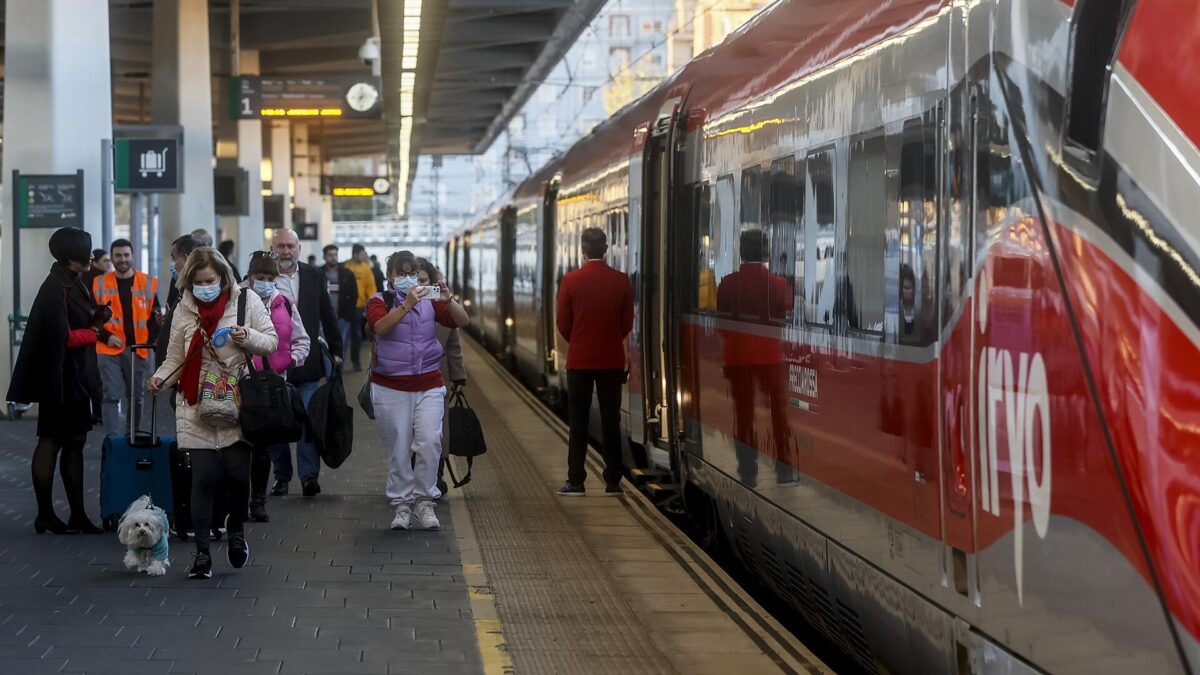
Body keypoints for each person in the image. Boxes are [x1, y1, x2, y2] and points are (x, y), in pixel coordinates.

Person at [149, 247, 277, 579]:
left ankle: (236, 531)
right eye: (198, 282)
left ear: (223, 276)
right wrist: (161, 378)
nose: (206, 286)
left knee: (237, 477)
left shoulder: (246, 301)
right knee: (202, 479)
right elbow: (176, 356)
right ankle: (202, 554)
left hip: (237, 401)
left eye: (211, 280)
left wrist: (245, 335)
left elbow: (272, 341)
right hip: (196, 404)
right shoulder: (184, 310)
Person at [8, 227, 106, 534]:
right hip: (60, 380)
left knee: (75, 442)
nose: (92, 256)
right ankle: (46, 514)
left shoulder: (72, 282)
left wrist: (96, 318)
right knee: (51, 441)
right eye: (86, 252)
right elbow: (60, 336)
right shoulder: (55, 288)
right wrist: (95, 332)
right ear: (71, 257)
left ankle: (77, 514)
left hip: (73, 378)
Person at [367, 250, 468, 530]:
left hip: (428, 384)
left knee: (429, 441)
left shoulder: (430, 303)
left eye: (412, 273)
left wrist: (450, 300)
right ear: (390, 277)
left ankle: (424, 501)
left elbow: (462, 321)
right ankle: (401, 505)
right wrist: (405, 305)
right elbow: (380, 327)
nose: (408, 279)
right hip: (389, 387)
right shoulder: (378, 301)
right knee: (399, 446)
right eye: (401, 273)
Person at [554, 227, 633, 497]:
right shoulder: (621, 281)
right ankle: (613, 481)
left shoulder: (571, 280)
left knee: (579, 421)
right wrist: (609, 340)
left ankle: (576, 480)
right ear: (607, 249)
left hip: (580, 360)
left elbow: (562, 323)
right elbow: (627, 324)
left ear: (582, 250)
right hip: (611, 360)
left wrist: (578, 340)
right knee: (611, 420)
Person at [266, 229, 343, 498]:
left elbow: (327, 313)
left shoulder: (313, 275)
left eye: (290, 246)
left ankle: (309, 477)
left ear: (299, 248)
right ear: (272, 248)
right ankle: (282, 477)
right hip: (271, 365)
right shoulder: (260, 276)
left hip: (308, 363)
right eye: (280, 246)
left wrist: (336, 350)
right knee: (275, 422)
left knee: (309, 421)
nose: (285, 251)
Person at [716, 229, 793, 486]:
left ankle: (748, 471)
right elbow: (784, 318)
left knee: (744, 414)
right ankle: (784, 469)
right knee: (779, 414)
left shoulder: (727, 283)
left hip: (738, 358)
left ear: (741, 252)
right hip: (770, 357)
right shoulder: (779, 284)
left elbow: (721, 326)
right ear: (765, 252)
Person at [243, 252, 310, 523]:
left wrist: (289, 360)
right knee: (237, 446)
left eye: (271, 278)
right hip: (240, 383)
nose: (266, 283)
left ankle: (257, 501)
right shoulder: (235, 301)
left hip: (271, 387)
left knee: (262, 445)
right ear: (249, 278)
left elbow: (302, 340)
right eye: (260, 278)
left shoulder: (285, 304)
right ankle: (236, 500)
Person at [93, 239, 161, 438]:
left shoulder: (147, 283)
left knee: (136, 396)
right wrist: (107, 337)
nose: (122, 259)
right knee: (111, 395)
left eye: (126, 255)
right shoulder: (100, 284)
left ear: (133, 256)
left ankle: (133, 435)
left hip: (138, 349)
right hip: (108, 349)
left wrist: (152, 342)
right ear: (112, 258)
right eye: (118, 255)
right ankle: (113, 441)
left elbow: (153, 318)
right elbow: (92, 317)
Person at [416, 258, 466, 496]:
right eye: (415, 281)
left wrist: (459, 377)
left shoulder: (443, 309)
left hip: (439, 377)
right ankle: (414, 474)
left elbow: (454, 344)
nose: (419, 286)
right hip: (408, 378)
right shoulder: (399, 306)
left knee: (437, 430)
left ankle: (436, 474)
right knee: (412, 431)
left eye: (424, 281)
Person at [157, 235, 203, 369]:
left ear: (187, 258)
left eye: (174, 257)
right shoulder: (180, 287)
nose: (171, 263)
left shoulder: (198, 293)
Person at [322, 245, 359, 362]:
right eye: (330, 255)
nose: (333, 257)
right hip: (324, 318)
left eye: (335, 254)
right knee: (325, 345)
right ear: (324, 257)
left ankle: (337, 372)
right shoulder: (319, 273)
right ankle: (329, 375)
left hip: (343, 317)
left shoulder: (347, 274)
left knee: (341, 344)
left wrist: (348, 314)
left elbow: (354, 294)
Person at [344, 244, 377, 372]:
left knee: (356, 335)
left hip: (358, 307)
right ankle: (339, 360)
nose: (364, 256)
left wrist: (369, 307)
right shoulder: (345, 266)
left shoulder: (366, 268)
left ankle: (356, 361)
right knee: (343, 335)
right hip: (345, 307)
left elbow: (371, 288)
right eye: (362, 254)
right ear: (355, 254)